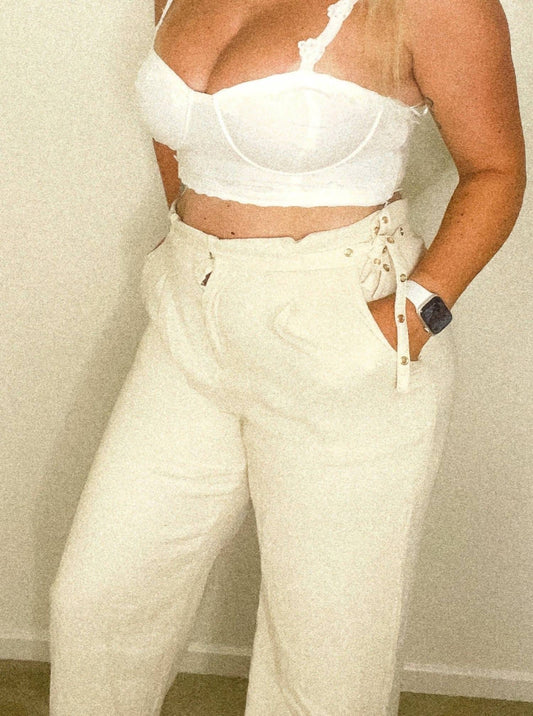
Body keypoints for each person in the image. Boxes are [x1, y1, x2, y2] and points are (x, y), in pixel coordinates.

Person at [48, 0, 526, 713]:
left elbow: (495, 170)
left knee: (323, 661)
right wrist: (184, 234)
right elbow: (181, 130)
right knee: (98, 604)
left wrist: (406, 322)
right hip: (187, 315)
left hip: (340, 325)